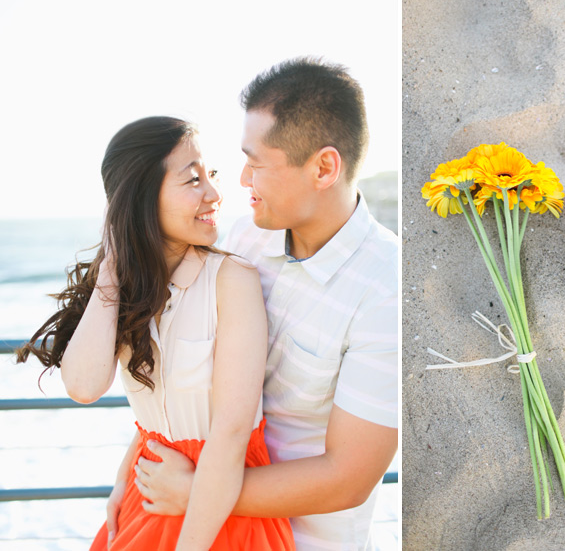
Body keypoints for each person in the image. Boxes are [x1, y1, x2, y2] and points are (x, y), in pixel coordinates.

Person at [132, 58, 399, 549]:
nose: (240, 180)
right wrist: (136, 468)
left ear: (324, 168)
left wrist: (197, 492)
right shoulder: (244, 241)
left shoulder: (386, 290)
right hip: (207, 527)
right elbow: (181, 373)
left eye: (256, 163)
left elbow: (348, 477)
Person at [16, 116, 295, 550]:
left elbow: (230, 432)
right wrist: (112, 263)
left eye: (210, 176)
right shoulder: (123, 288)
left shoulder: (230, 280)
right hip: (146, 498)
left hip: (216, 510)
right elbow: (86, 387)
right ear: (142, 200)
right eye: (193, 180)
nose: (214, 194)